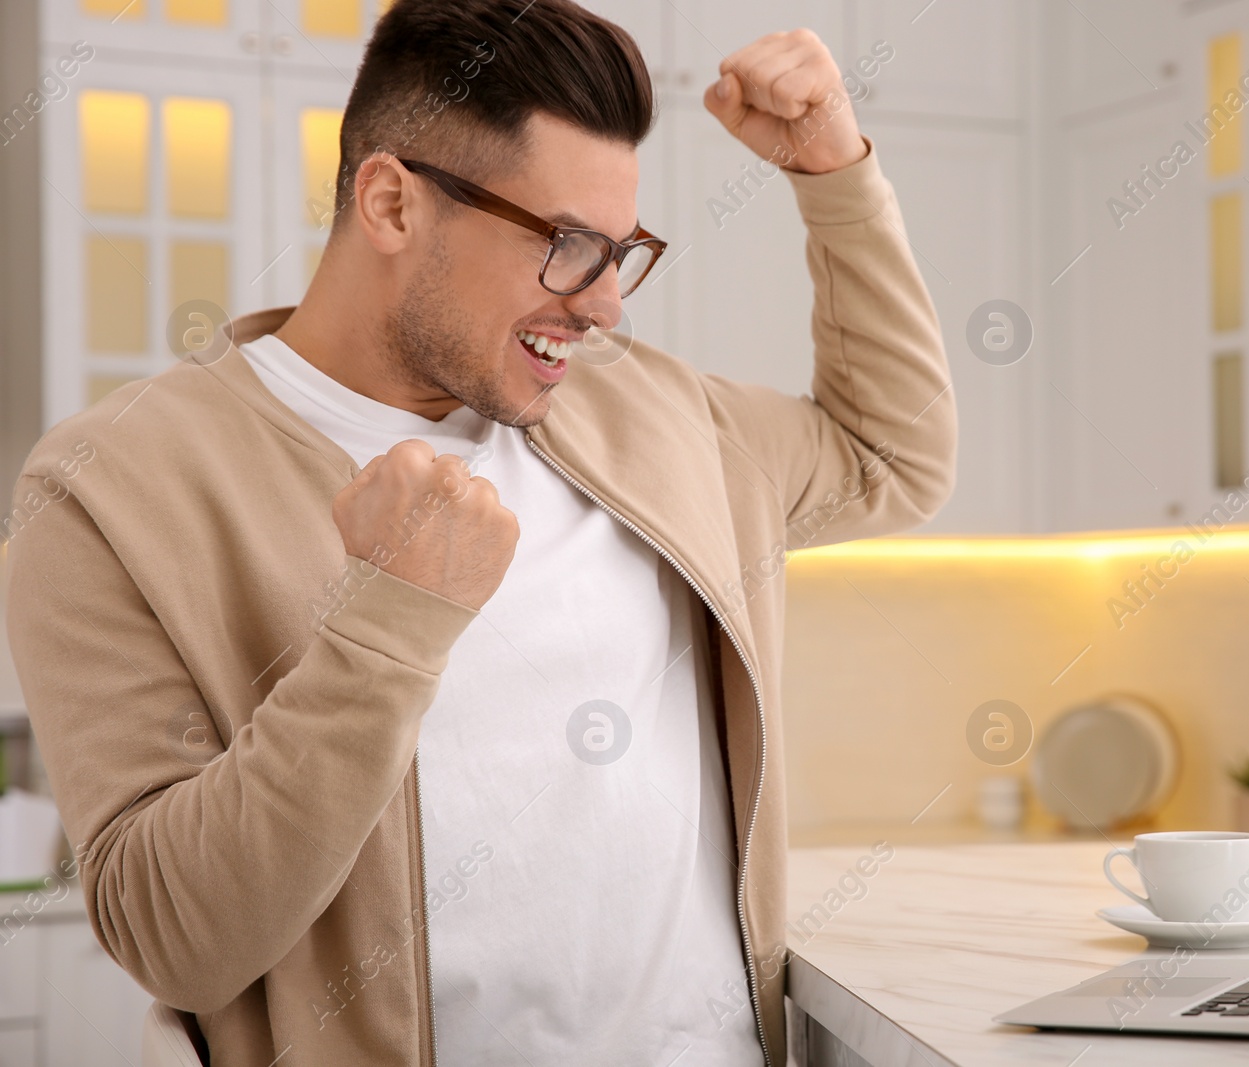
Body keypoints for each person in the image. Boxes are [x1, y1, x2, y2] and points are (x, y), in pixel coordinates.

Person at [4, 1, 955, 1063]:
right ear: (392, 202)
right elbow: (173, 935)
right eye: (565, 246)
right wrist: (388, 626)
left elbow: (891, 458)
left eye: (621, 251)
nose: (604, 308)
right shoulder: (111, 486)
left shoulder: (649, 411)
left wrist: (836, 178)